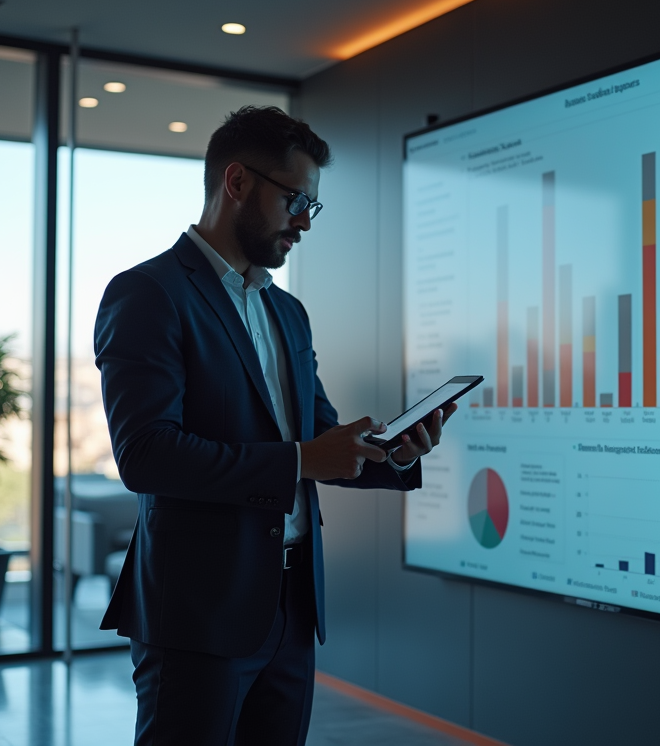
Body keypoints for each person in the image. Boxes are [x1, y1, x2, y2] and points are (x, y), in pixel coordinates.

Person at [94, 105, 456, 746]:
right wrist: (299, 461)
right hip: (199, 614)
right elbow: (146, 454)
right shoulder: (148, 293)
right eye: (295, 199)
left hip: (291, 608)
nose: (303, 222)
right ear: (236, 183)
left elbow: (317, 434)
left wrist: (389, 452)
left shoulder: (288, 312)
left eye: (311, 207)